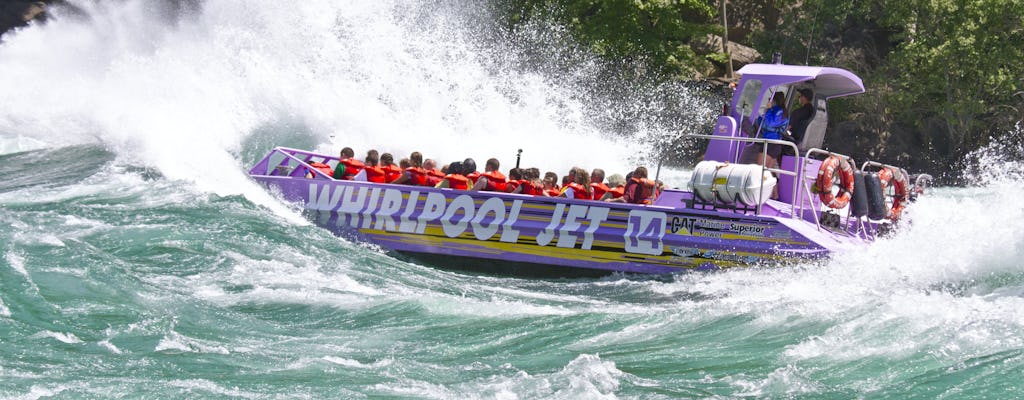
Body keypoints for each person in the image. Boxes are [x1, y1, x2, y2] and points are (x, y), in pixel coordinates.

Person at [749, 92, 789, 168]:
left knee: (759, 169)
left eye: (770, 100)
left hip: (771, 142)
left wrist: (769, 109)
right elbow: (762, 122)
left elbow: (771, 123)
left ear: (774, 100)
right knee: (766, 172)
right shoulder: (776, 111)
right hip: (772, 143)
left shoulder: (780, 112)